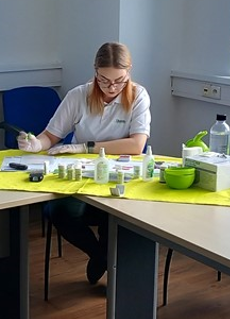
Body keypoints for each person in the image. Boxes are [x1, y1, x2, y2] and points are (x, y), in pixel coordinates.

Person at [17, 42, 151, 285]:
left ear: (129, 72)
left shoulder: (138, 95)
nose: (112, 87)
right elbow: (51, 136)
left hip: (122, 176)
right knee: (61, 211)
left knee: (117, 215)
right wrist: (35, 144)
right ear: (95, 71)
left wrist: (85, 146)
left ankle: (114, 270)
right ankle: (100, 256)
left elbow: (136, 146)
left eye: (119, 80)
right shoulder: (78, 95)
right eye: (104, 79)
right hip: (83, 175)